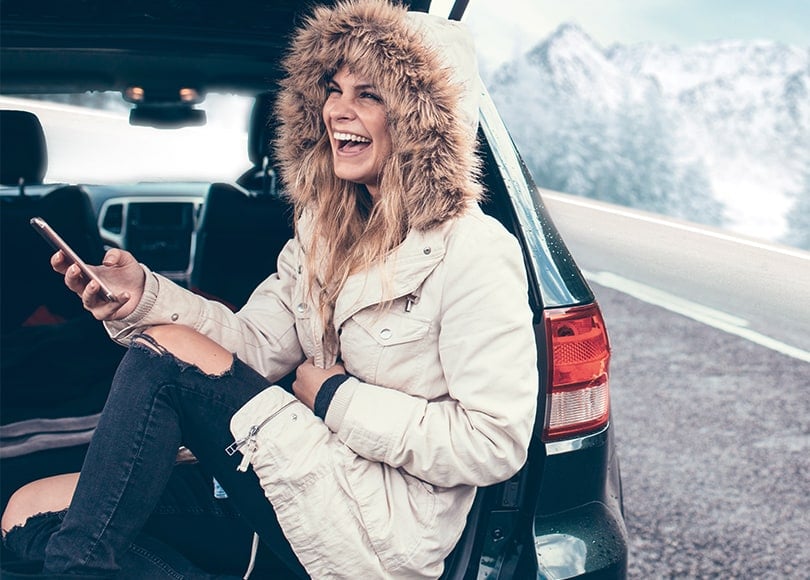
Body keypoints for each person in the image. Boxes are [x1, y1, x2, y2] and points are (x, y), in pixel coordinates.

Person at [1, 0, 538, 577]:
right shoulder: (320, 237)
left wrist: (337, 399)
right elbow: (252, 345)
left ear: (422, 122)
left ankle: (78, 566)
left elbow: (494, 443)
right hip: (296, 474)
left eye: (369, 94)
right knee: (24, 511)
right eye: (332, 90)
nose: (338, 111)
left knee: (163, 357)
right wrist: (145, 297)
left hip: (378, 530)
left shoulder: (475, 251)